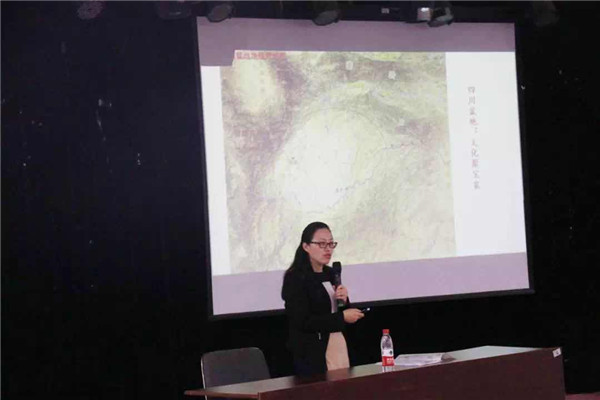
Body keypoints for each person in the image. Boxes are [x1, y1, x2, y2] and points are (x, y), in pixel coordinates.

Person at [281, 222, 364, 375]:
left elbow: (336, 309)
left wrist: (345, 301)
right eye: (321, 244)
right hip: (313, 351)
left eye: (331, 244)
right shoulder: (296, 278)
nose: (328, 249)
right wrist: (342, 317)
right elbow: (302, 321)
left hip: (337, 343)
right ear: (306, 246)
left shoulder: (331, 274)